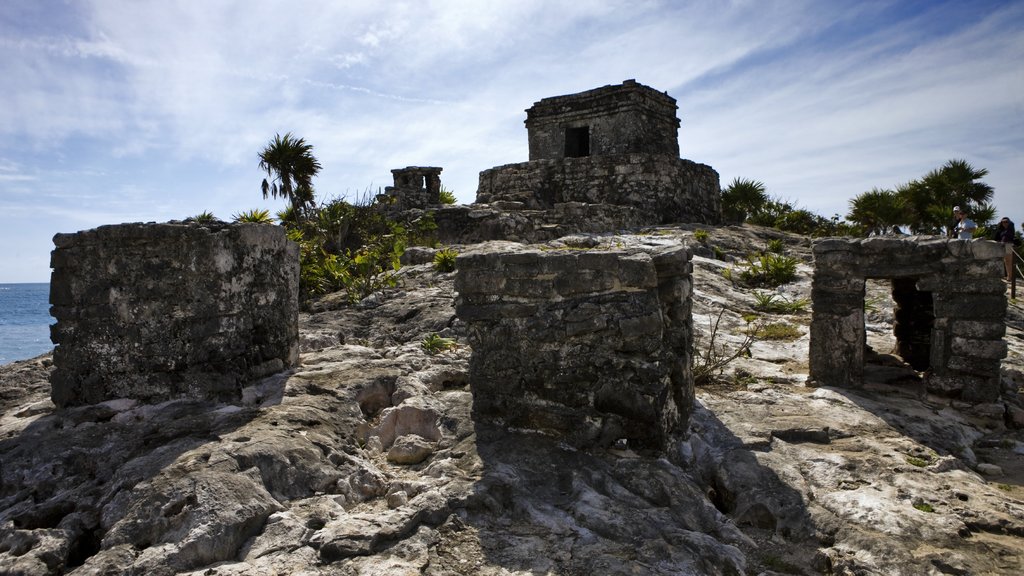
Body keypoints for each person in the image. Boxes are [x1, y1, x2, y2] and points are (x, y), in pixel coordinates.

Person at [994, 217, 1017, 281]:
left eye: (1006, 222)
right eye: (1003, 222)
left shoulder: (1010, 229)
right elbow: (997, 237)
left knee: (1009, 261)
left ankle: (1010, 277)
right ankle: (1009, 276)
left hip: (1008, 245)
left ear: (1009, 222)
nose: (1004, 223)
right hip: (1002, 246)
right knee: (1006, 262)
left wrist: (1008, 221)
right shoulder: (1001, 230)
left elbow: (1008, 235)